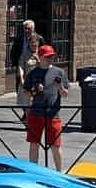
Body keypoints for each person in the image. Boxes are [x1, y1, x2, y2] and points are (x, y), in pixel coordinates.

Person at [23, 43, 70, 171]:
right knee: (34, 144)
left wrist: (59, 86)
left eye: (52, 56)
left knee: (55, 145)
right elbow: (26, 92)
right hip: (36, 112)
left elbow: (65, 94)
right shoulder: (33, 73)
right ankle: (33, 170)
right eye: (48, 56)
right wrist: (34, 90)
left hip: (53, 113)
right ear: (41, 57)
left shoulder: (59, 72)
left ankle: (59, 172)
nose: (50, 59)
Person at [9, 19, 41, 107]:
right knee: (21, 88)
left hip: (34, 66)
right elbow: (14, 51)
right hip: (22, 63)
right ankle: (25, 110)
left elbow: (43, 50)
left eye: (28, 28)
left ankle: (31, 111)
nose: (26, 30)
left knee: (35, 91)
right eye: (25, 28)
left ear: (33, 29)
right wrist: (15, 63)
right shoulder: (19, 38)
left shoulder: (39, 38)